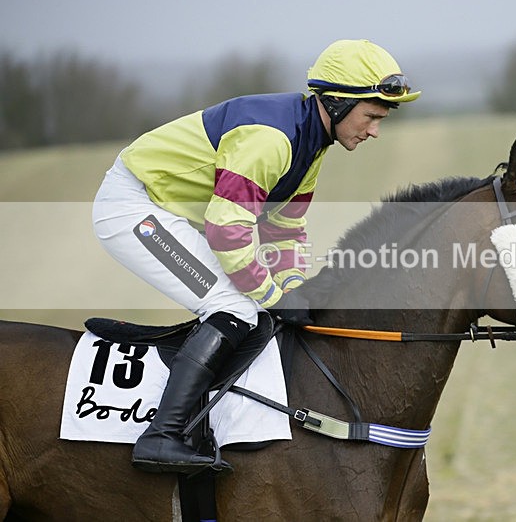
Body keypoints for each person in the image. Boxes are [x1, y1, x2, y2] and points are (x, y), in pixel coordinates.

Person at [92, 39, 420, 474]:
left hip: (172, 212)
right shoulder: (272, 139)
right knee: (234, 305)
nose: (375, 130)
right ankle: (162, 436)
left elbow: (284, 228)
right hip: (132, 207)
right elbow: (228, 231)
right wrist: (272, 295)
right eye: (372, 116)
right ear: (338, 102)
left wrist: (296, 290)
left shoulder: (313, 144)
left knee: (254, 307)